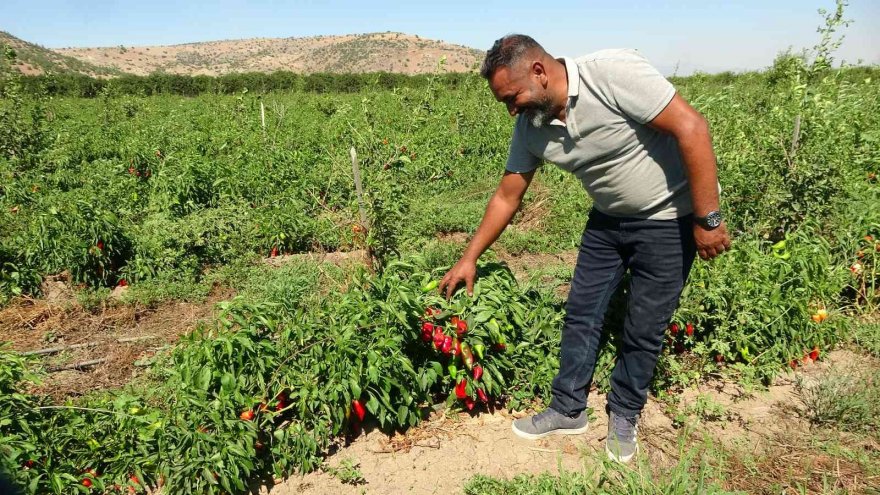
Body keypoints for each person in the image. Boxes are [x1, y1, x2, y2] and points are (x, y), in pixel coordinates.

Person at [438, 34, 730, 463]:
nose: (512, 109)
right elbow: (507, 195)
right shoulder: (531, 128)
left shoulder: (611, 73)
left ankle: (625, 413)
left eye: (513, 96)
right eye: (504, 102)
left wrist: (707, 219)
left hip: (668, 219)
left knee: (644, 325)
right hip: (607, 220)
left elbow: (692, 127)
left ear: (539, 71)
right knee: (582, 312)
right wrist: (469, 257)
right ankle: (567, 408)